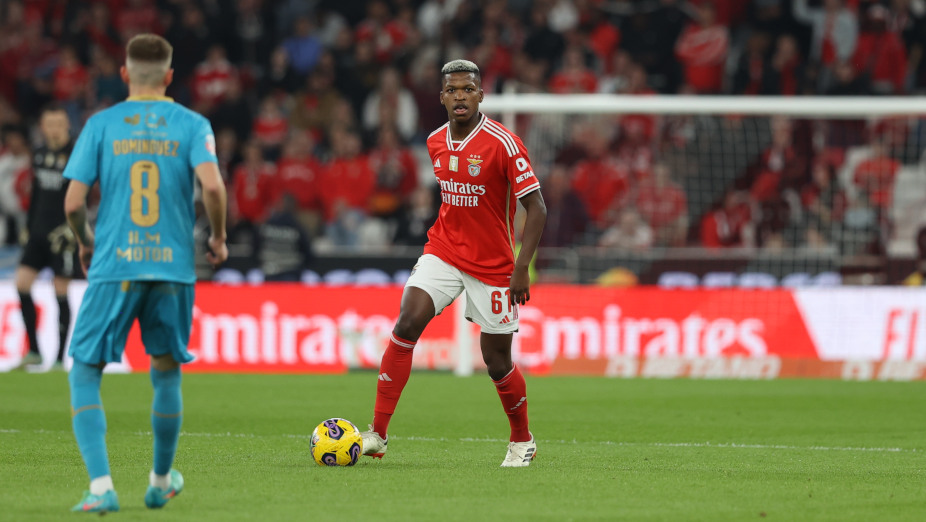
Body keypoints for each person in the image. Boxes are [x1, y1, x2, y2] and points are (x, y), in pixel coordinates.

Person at [62, 34, 228, 513]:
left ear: (124, 75)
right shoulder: (193, 124)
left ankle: (100, 488)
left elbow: (73, 202)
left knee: (86, 370)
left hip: (115, 263)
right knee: (165, 370)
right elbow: (213, 188)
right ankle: (159, 480)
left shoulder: (102, 124)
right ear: (170, 77)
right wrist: (216, 238)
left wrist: (85, 240)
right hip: (173, 268)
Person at [360, 60, 547, 467]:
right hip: (443, 249)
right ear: (442, 97)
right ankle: (377, 433)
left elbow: (537, 207)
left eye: (468, 89)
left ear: (480, 95)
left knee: (496, 360)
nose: (460, 96)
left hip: (495, 264)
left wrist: (520, 267)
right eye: (453, 90)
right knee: (407, 321)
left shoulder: (504, 143)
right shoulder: (434, 141)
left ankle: (522, 439)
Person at [15, 104, 81, 371]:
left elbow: (85, 195)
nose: (54, 129)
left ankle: (57, 359)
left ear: (67, 125)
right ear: (42, 127)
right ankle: (33, 350)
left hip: (63, 236)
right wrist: (29, 225)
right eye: (49, 124)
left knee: (60, 292)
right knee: (21, 285)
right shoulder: (39, 154)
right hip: (38, 233)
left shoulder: (76, 154)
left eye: (59, 124)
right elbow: (38, 194)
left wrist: (74, 228)